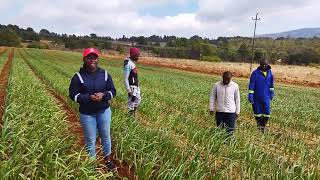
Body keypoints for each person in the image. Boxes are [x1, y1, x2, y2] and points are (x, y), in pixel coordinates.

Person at [69, 48, 116, 169]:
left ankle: (108, 160)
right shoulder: (78, 77)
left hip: (104, 111)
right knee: (90, 139)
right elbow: (73, 95)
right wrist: (88, 98)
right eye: (89, 58)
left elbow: (113, 91)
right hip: (87, 114)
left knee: (106, 136)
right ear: (84, 59)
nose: (92, 60)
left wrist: (103, 95)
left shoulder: (105, 75)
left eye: (94, 57)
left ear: (98, 59)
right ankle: (92, 165)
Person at [209, 71, 240, 136]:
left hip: (231, 112)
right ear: (222, 77)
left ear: (231, 78)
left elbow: (237, 99)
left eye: (228, 79)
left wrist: (237, 111)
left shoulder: (235, 86)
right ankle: (220, 144)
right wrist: (211, 108)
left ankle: (228, 143)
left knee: (230, 131)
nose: (226, 81)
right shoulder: (216, 85)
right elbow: (212, 96)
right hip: (220, 111)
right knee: (220, 130)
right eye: (225, 79)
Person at [248, 59, 274, 133]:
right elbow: (251, 85)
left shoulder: (270, 73)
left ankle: (263, 126)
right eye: (262, 65)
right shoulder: (255, 73)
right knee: (257, 113)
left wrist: (272, 92)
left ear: (267, 64)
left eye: (265, 65)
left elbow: (271, 84)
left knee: (267, 113)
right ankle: (260, 127)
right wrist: (250, 95)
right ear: (260, 65)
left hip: (266, 97)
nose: (264, 66)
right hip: (256, 97)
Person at [123, 47, 141, 116]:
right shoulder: (128, 64)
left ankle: (133, 114)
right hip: (132, 87)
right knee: (132, 102)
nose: (138, 57)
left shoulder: (132, 62)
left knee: (138, 100)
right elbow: (125, 78)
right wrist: (129, 90)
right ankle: (130, 116)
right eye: (137, 55)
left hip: (135, 86)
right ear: (133, 55)